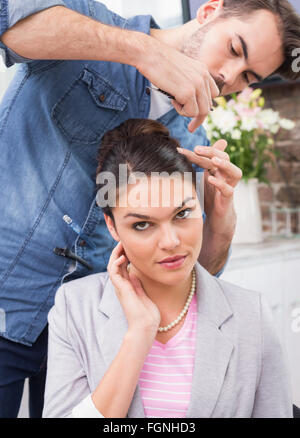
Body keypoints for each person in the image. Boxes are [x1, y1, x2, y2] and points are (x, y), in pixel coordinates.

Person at [0, 0, 299, 418]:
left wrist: (220, 218)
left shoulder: (191, 140)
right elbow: (8, 19)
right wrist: (143, 51)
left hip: (92, 333)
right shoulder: (99, 28)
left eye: (249, 76)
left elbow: (188, 272)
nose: (229, 77)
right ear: (210, 11)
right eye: (234, 48)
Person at [42, 118, 293, 418]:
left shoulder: (250, 313)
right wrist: (139, 333)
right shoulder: (74, 309)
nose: (171, 241)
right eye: (142, 224)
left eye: (183, 213)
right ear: (112, 226)